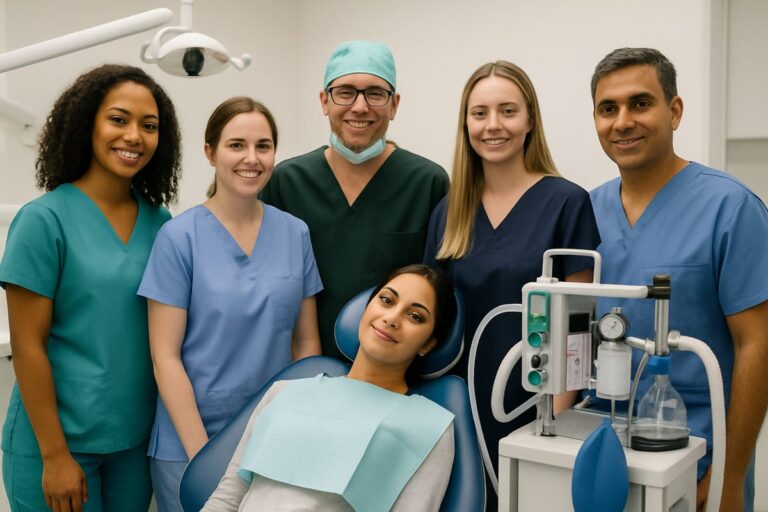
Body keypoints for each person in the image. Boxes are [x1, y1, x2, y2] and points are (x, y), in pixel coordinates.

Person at [586, 47, 768, 512]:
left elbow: (758, 344)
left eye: (640, 103)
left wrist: (730, 476)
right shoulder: (584, 212)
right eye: (609, 109)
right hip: (595, 452)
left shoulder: (731, 209)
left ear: (675, 110)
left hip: (699, 458)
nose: (622, 121)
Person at [0, 64, 181, 512]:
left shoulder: (162, 223)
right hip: (58, 443)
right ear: (87, 124)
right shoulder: (43, 220)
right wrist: (55, 456)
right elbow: (27, 347)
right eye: (118, 119)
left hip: (134, 443)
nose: (134, 136)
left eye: (149, 125)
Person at [423, 60, 600, 509]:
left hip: (535, 407)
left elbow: (576, 332)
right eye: (479, 113)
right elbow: (433, 321)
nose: (493, 125)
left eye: (507, 111)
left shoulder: (566, 202)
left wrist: (555, 428)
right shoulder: (450, 211)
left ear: (529, 121)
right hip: (459, 407)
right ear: (465, 124)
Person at [137, 97, 323, 511]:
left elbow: (306, 347)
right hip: (190, 445)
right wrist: (207, 459)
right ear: (210, 152)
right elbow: (164, 358)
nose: (251, 159)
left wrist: (294, 433)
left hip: (272, 443)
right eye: (236, 145)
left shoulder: (295, 234)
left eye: (264, 146)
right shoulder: (178, 238)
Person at [202, 264, 456, 512]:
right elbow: (227, 497)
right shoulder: (283, 393)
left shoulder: (428, 426)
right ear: (367, 309)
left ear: (428, 345)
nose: (391, 319)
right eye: (387, 301)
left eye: (415, 316)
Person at [260, 40, 449, 359]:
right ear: (324, 100)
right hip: (301, 366)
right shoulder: (287, 182)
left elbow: (439, 294)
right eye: (345, 92)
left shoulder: (428, 183)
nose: (360, 107)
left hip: (394, 373)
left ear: (394, 104)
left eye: (375, 93)